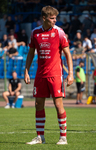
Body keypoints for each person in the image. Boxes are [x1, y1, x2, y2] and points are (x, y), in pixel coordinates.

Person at [24, 6, 74, 145]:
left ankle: (63, 137)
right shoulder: (35, 33)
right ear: (44, 18)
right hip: (40, 75)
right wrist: (26, 71)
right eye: (52, 18)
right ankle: (40, 137)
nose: (54, 20)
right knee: (38, 104)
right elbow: (30, 53)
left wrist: (70, 74)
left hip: (56, 74)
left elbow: (67, 54)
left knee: (58, 105)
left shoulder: (59, 32)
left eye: (55, 18)